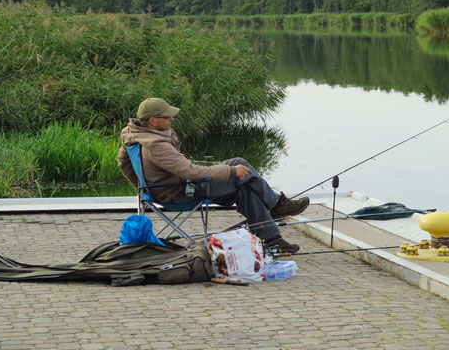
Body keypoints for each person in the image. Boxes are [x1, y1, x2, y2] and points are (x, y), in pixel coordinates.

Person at [117, 97, 310, 253]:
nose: (172, 119)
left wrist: (143, 188)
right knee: (238, 164)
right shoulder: (156, 144)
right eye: (167, 117)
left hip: (169, 188)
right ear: (153, 120)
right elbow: (190, 171)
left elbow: (123, 161)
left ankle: (271, 239)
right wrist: (229, 172)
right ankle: (277, 205)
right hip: (181, 192)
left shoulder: (133, 134)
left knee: (245, 188)